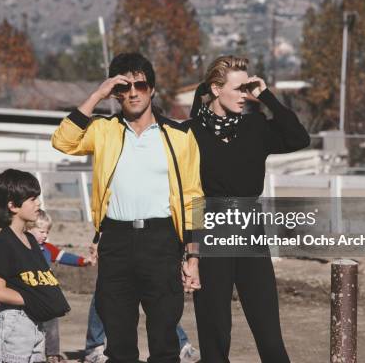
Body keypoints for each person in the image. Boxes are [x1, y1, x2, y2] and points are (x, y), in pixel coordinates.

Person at [52, 52, 203, 363]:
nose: (133, 93)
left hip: (162, 241)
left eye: (141, 85)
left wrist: (193, 255)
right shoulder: (103, 130)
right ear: (115, 93)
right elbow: (62, 141)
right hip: (116, 242)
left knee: (164, 340)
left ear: (153, 89)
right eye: (124, 87)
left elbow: (193, 197)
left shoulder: (178, 136)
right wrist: (96, 95)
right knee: (119, 343)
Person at [187, 56, 311, 363]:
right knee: (215, 337)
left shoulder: (255, 126)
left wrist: (267, 94)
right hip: (210, 230)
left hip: (250, 230)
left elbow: (299, 137)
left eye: (248, 88)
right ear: (216, 89)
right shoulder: (191, 132)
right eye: (239, 88)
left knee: (269, 335)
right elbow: (187, 194)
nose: (245, 95)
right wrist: (190, 250)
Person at [0, 169, 71, 363]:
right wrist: (34, 299)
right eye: (32, 199)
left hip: (35, 323)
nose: (38, 203)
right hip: (14, 324)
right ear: (13, 206)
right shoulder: (3, 243)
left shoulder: (32, 241)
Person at [28, 210, 94, 363]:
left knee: (51, 325)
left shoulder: (48, 248)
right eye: (41, 231)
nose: (45, 235)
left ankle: (52, 355)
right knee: (30, 329)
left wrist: (84, 261)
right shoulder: (22, 247)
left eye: (47, 232)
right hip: (28, 296)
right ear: (28, 228)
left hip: (46, 298)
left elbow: (64, 256)